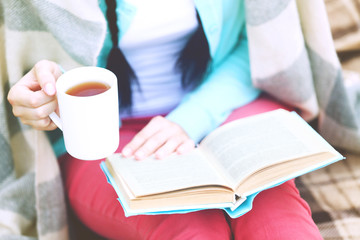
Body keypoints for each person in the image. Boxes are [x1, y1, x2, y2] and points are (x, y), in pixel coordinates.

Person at [7, 0, 323, 239]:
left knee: (271, 202)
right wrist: (45, 96)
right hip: (113, 135)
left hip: (225, 101)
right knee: (186, 224)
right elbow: (43, 57)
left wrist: (190, 118)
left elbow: (259, 43)